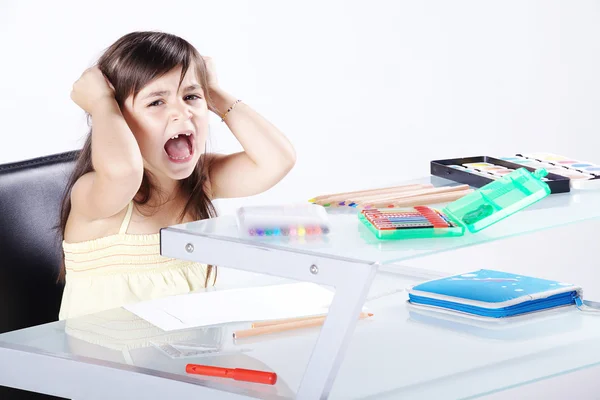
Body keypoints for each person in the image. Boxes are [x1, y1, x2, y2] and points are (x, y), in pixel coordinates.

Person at [58, 31, 296, 320]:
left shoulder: (200, 180)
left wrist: (213, 92)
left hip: (183, 357)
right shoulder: (96, 194)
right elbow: (124, 173)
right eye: (156, 102)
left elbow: (277, 160)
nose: (182, 113)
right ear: (118, 121)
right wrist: (101, 103)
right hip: (103, 361)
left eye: (191, 97)